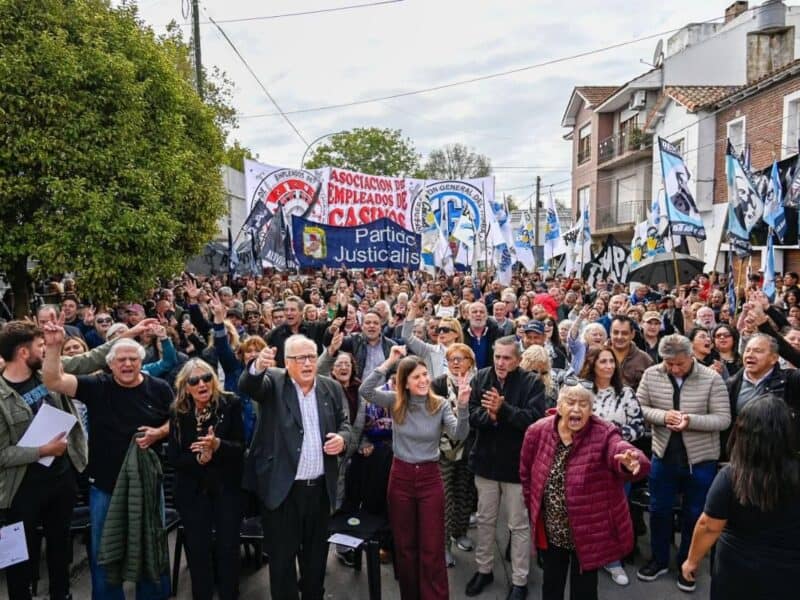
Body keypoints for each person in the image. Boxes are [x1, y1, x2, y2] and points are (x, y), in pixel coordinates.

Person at [41, 324, 172, 600]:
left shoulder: (160, 388)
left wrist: (160, 432)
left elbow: (178, 421)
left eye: (133, 359)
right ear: (110, 365)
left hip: (148, 484)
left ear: (142, 362)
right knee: (105, 552)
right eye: (121, 360)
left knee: (152, 545)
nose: (127, 364)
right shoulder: (96, 386)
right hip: (105, 485)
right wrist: (53, 348)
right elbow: (53, 381)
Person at [238, 334, 351, 600]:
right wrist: (257, 366)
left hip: (319, 492)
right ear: (287, 362)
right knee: (282, 566)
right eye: (300, 358)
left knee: (315, 565)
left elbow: (345, 424)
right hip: (282, 493)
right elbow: (250, 385)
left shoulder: (330, 388)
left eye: (311, 356)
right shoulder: (274, 382)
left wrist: (343, 439)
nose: (308, 363)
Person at [520, 385, 650, 600]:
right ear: (559, 407)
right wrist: (533, 507)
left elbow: (619, 449)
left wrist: (633, 461)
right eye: (570, 403)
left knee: (585, 589)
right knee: (551, 583)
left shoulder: (604, 432)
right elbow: (526, 473)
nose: (577, 409)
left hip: (588, 531)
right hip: (553, 529)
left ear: (591, 410)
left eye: (583, 404)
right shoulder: (537, 431)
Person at [360, 346, 470, 599]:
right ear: (405, 383)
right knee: (405, 546)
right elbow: (366, 391)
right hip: (400, 477)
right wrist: (389, 361)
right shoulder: (397, 401)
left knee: (432, 547)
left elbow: (459, 434)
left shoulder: (440, 405)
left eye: (424, 374)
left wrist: (462, 407)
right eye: (416, 377)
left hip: (431, 477)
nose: (423, 380)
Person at [636, 334, 731, 593]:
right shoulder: (651, 374)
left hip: (701, 460)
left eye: (680, 363)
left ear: (691, 357)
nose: (675, 368)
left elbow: (723, 419)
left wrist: (691, 420)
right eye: (669, 364)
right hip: (663, 456)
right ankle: (659, 560)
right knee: (659, 510)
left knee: (695, 514)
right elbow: (640, 407)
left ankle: (688, 564)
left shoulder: (711, 378)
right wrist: (663, 416)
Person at [680, 395, 800, 599]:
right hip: (789, 568)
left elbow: (708, 525)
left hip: (736, 566)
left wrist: (691, 561)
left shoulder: (731, 476)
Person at [0, 322, 87, 600]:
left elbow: (88, 360)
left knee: (60, 549)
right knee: (17, 558)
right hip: (19, 490)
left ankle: (61, 595)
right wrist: (42, 450)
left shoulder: (48, 374)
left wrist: (130, 335)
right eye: (40, 346)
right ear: (24, 352)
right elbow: (2, 454)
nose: (44, 351)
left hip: (60, 481)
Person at [466, 336, 546, 600]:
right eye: (497, 356)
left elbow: (534, 421)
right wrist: (489, 416)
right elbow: (471, 415)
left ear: (518, 359)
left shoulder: (532, 383)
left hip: (516, 466)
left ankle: (520, 580)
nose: (501, 362)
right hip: (486, 463)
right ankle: (484, 569)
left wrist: (504, 409)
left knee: (518, 525)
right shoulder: (480, 378)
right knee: (485, 520)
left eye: (507, 358)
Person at [167, 360, 244, 600]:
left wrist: (218, 445)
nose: (202, 384)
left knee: (227, 549)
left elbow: (241, 448)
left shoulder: (230, 403)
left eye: (206, 378)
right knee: (198, 552)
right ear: (185, 387)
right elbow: (173, 457)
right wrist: (199, 459)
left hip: (226, 489)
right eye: (194, 381)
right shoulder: (179, 412)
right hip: (192, 491)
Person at [578, 346, 646, 586]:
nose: (608, 366)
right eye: (602, 361)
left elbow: (639, 425)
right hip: (584, 461)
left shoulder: (625, 392)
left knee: (614, 511)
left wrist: (612, 437)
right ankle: (585, 553)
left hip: (616, 461)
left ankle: (612, 560)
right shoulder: (581, 390)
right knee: (585, 510)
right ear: (593, 364)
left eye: (611, 362)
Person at [431, 343, 477, 567]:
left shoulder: (479, 383)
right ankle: (443, 547)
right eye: (452, 359)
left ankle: (460, 533)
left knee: (464, 493)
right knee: (445, 498)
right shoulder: (439, 384)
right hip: (444, 449)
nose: (456, 363)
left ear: (471, 361)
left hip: (469, 448)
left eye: (461, 358)